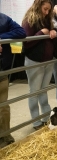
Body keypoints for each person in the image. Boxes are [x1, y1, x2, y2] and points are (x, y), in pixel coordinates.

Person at [21, 0, 57, 130]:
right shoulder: (29, 20)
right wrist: (42, 33)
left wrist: (53, 32)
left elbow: (49, 33)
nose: (47, 12)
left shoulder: (47, 19)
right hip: (34, 61)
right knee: (34, 92)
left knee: (43, 90)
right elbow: (26, 42)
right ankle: (36, 122)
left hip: (47, 60)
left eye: (49, 10)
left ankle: (46, 118)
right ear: (38, 6)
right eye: (45, 9)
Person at [0, 13, 26, 148]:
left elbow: (21, 32)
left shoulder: (3, 18)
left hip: (2, 70)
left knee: (3, 105)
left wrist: (0, 39)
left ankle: (5, 134)